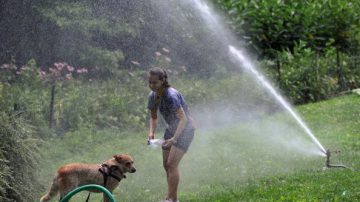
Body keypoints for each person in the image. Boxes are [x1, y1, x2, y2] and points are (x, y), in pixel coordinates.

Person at [146, 67, 195, 202]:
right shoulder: (153, 96)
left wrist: (174, 140)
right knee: (166, 165)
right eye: (149, 82)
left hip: (186, 129)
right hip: (171, 128)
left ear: (163, 81)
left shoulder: (171, 96)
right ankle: (173, 199)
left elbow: (183, 119)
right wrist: (151, 132)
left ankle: (170, 200)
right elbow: (154, 117)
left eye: (154, 82)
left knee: (172, 164)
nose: (151, 85)